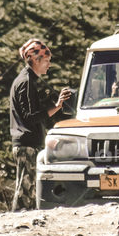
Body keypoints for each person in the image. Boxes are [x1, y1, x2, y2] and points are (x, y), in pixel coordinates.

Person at [9, 39, 72, 211]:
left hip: (26, 143)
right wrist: (57, 106)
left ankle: (22, 222)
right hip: (26, 144)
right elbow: (30, 117)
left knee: (28, 188)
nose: (49, 65)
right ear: (35, 60)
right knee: (24, 189)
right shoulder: (26, 82)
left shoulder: (27, 80)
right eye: (46, 60)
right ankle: (17, 223)